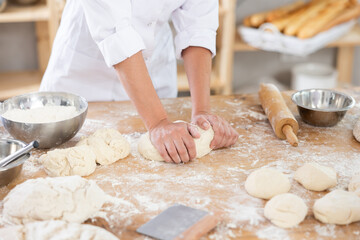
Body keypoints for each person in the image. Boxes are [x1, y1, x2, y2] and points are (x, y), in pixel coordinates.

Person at [40, 0, 239, 163]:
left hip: (153, 70)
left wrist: (202, 112)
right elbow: (116, 35)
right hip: (84, 76)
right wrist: (158, 122)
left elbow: (198, 26)